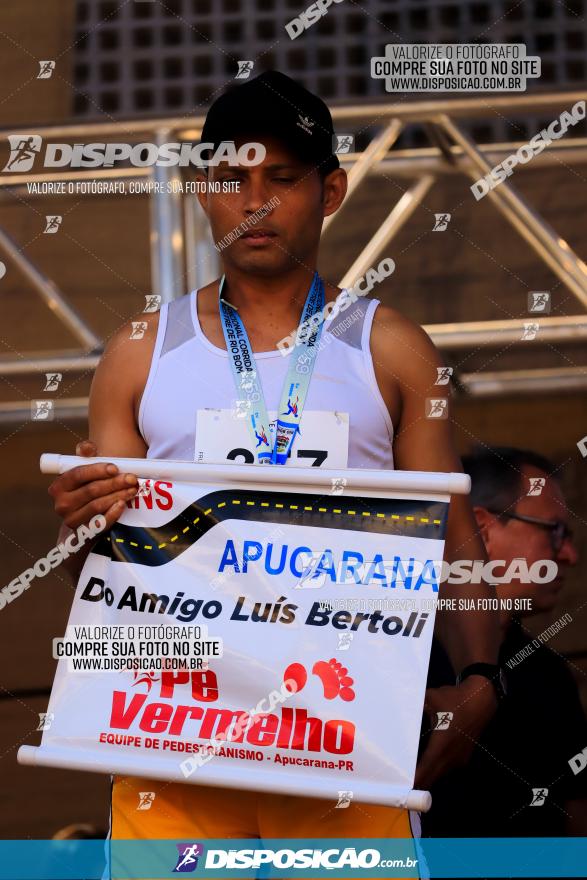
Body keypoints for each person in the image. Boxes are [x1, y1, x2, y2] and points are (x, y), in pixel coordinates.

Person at [48, 71, 500, 859]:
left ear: (330, 191)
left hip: (343, 726)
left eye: (281, 179)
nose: (253, 201)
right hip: (171, 726)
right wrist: (81, 524)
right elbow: (106, 567)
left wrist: (481, 681)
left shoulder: (391, 346)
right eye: (230, 178)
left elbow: (450, 534)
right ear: (200, 191)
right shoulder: (136, 350)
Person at [423, 446, 587, 838]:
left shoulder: (549, 676)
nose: (570, 555)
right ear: (481, 531)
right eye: (555, 532)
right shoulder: (397, 654)